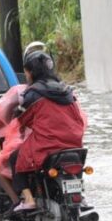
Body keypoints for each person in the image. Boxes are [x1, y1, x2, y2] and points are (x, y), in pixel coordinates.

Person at [10, 50, 86, 212]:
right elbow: (78, 116)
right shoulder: (67, 90)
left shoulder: (33, 94)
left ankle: (29, 200)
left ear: (31, 72)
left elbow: (23, 118)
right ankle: (81, 197)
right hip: (74, 142)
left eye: (26, 71)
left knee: (14, 158)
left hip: (48, 143)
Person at [0, 41, 49, 208]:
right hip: (64, 141)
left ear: (29, 71)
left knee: (3, 159)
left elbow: (1, 114)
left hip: (34, 142)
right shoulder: (63, 90)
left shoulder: (22, 92)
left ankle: (20, 202)